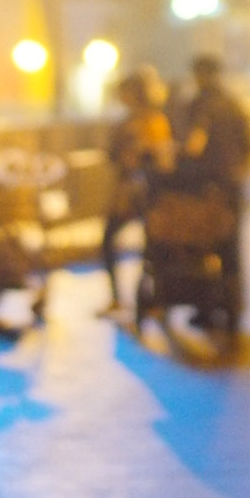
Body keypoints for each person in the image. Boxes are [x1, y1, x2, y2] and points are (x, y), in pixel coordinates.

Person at [175, 53, 250, 325]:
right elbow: (247, 142)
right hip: (233, 182)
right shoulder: (232, 103)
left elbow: (194, 146)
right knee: (231, 244)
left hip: (207, 185)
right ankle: (233, 303)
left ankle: (208, 306)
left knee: (203, 244)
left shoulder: (201, 105)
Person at [101, 66, 173, 317]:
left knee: (152, 246)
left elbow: (161, 158)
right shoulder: (135, 120)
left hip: (145, 192)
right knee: (114, 242)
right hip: (131, 191)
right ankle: (127, 298)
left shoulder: (152, 120)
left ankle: (150, 299)